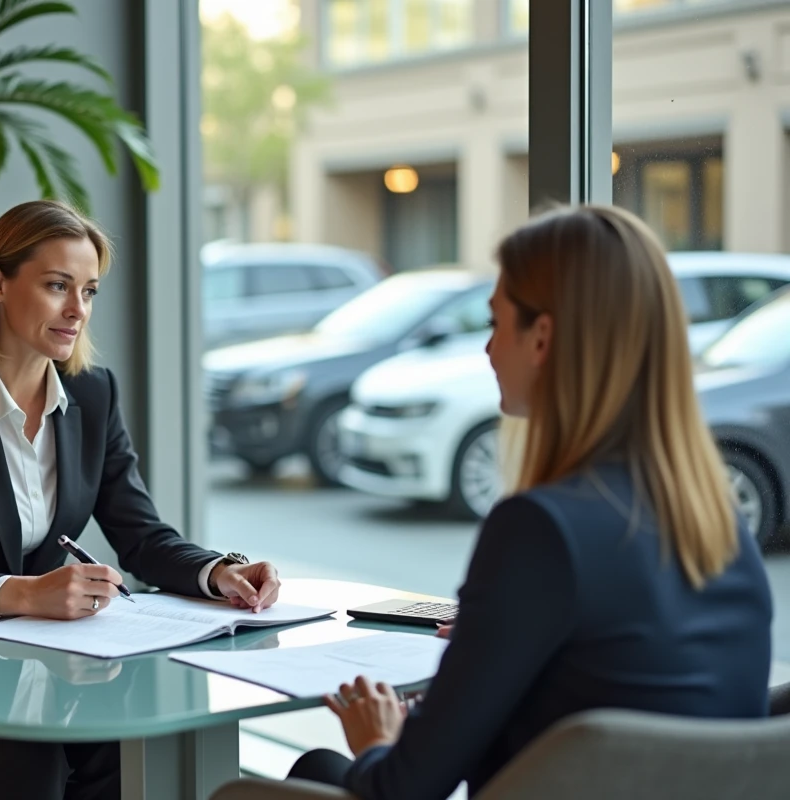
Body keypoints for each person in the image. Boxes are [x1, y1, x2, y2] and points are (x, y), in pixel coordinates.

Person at [286, 205, 774, 799]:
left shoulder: (540, 528)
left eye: (497, 323)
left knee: (317, 768)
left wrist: (379, 740)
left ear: (541, 337)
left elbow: (404, 789)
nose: (489, 349)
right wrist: (494, 645)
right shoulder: (720, 516)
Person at [0, 199, 281, 800]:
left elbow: (142, 536)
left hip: (34, 665)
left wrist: (219, 572)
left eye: (90, 291)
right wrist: (24, 593)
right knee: (37, 748)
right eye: (57, 286)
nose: (78, 310)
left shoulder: (92, 395)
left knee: (113, 734)